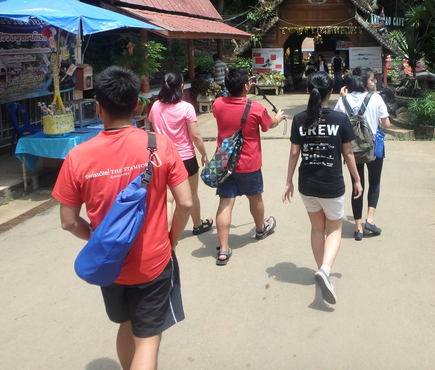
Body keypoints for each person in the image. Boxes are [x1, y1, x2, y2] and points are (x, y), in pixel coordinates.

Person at [53, 66, 193, 370]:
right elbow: (186, 203)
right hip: (153, 262)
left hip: (110, 264)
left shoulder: (78, 156)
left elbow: (67, 221)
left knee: (127, 324)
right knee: (148, 338)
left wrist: (98, 238)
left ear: (99, 108)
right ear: (137, 106)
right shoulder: (159, 146)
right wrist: (170, 240)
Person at [282, 72, 362, 305]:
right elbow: (348, 153)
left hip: (307, 184)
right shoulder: (340, 119)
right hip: (332, 184)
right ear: (331, 92)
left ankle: (322, 271)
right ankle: (325, 271)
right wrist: (357, 179)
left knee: (317, 229)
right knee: (334, 230)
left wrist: (288, 181)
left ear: (308, 91)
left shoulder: (299, 119)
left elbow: (294, 153)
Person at [211, 67, 285, 265]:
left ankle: (224, 250)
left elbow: (223, 113)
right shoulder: (256, 108)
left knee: (225, 202)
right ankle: (260, 229)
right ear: (246, 86)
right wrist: (277, 118)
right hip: (249, 163)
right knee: (255, 198)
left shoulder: (217, 104)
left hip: (225, 164)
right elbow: (268, 126)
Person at [149, 71, 213, 235]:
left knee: (168, 197)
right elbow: (195, 136)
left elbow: (152, 130)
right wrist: (204, 154)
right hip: (185, 158)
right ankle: (197, 225)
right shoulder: (186, 108)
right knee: (192, 194)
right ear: (181, 87)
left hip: (162, 157)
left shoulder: (155, 106)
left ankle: (166, 232)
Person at [334, 66, 391, 241]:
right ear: (362, 82)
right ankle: (370, 219)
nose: (374, 83)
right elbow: (386, 124)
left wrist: (344, 100)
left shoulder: (343, 101)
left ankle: (358, 227)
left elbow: (337, 122)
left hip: (351, 150)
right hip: (374, 148)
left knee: (357, 186)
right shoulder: (375, 98)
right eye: (372, 80)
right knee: (375, 183)